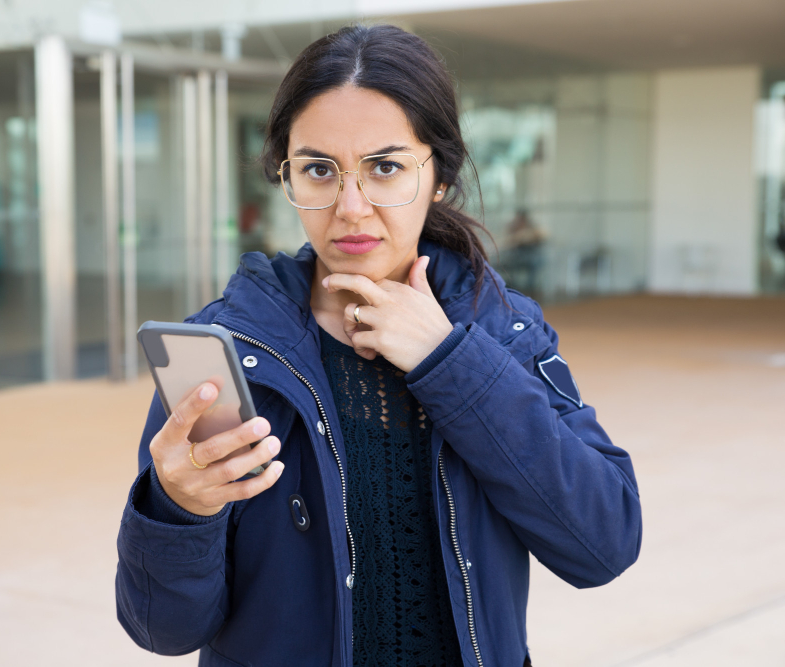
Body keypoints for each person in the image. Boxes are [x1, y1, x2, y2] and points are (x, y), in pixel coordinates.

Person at [115, 24, 642, 667]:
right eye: (318, 170)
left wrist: (450, 361)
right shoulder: (230, 350)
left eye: (386, 167)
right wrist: (177, 509)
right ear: (287, 177)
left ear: (440, 176)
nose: (352, 207)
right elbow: (161, 630)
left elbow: (603, 543)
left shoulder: (502, 330)